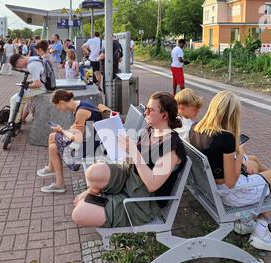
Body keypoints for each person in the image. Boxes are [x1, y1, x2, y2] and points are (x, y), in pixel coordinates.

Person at [71, 92, 187, 228]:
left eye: (150, 110)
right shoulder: (150, 130)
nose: (145, 113)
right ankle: (95, 192)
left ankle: (103, 198)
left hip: (142, 201)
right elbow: (138, 160)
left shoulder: (172, 148)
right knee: (93, 172)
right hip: (128, 178)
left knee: (78, 215)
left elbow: (152, 184)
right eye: (146, 109)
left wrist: (134, 151)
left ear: (164, 115)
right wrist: (121, 149)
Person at [189, 91, 271, 251]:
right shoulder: (225, 138)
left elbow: (215, 161)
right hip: (229, 194)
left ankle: (265, 184)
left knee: (253, 160)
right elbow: (230, 181)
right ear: (232, 114)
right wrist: (239, 153)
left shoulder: (195, 128)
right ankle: (261, 231)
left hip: (209, 187)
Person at [36, 90, 103, 193]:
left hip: (92, 147)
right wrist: (64, 131)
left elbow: (76, 138)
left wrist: (62, 130)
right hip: (94, 142)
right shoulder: (82, 104)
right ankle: (59, 183)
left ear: (61, 102)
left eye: (57, 106)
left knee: (53, 136)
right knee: (53, 147)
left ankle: (52, 170)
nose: (58, 109)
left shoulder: (80, 112)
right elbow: (76, 130)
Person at [4, 53, 47, 129]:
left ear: (19, 61)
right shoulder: (35, 58)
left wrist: (26, 86)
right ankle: (16, 120)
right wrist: (28, 83)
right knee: (19, 96)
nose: (21, 68)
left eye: (18, 66)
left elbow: (38, 84)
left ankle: (13, 123)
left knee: (15, 99)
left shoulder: (32, 65)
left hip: (43, 88)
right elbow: (39, 77)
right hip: (46, 84)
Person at [21, 40, 50, 123]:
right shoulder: (48, 56)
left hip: (46, 85)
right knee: (31, 100)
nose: (36, 52)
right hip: (49, 83)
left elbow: (42, 76)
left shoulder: (43, 58)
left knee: (30, 100)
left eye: (37, 50)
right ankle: (31, 117)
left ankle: (22, 120)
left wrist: (29, 84)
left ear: (40, 49)